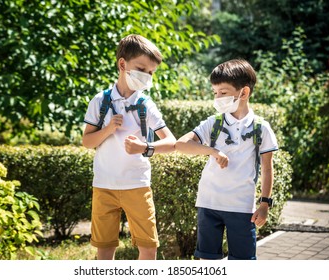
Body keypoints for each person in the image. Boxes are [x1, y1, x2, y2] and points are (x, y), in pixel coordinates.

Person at [82, 34, 176, 260]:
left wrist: (145, 147)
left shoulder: (146, 104)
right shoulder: (100, 101)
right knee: (104, 249)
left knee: (148, 248)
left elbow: (171, 142)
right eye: (141, 69)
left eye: (151, 73)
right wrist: (107, 130)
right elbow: (87, 142)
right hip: (104, 186)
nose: (146, 77)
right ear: (122, 64)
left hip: (137, 185)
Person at [175, 59, 278, 260]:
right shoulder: (212, 123)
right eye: (215, 93)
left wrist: (264, 204)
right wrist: (212, 151)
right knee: (207, 261)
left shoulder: (261, 128)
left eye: (223, 92)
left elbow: (267, 169)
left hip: (242, 208)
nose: (217, 98)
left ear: (244, 93)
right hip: (208, 203)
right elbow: (181, 144)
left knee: (242, 262)